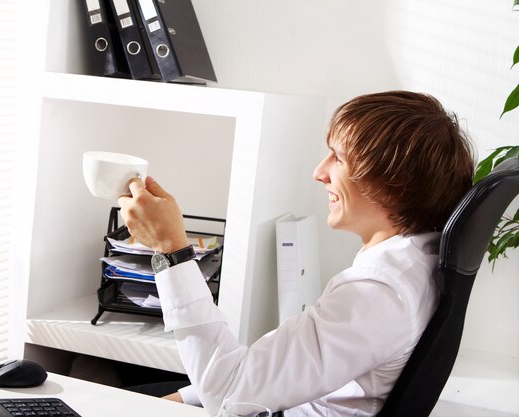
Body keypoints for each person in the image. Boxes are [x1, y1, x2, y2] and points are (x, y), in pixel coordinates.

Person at [117, 91, 474, 417]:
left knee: (90, 386)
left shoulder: (376, 293)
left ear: (396, 187)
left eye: (339, 158)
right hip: (270, 399)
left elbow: (229, 395)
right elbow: (252, 383)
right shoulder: (416, 258)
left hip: (257, 406)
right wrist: (186, 398)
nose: (319, 172)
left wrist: (171, 249)